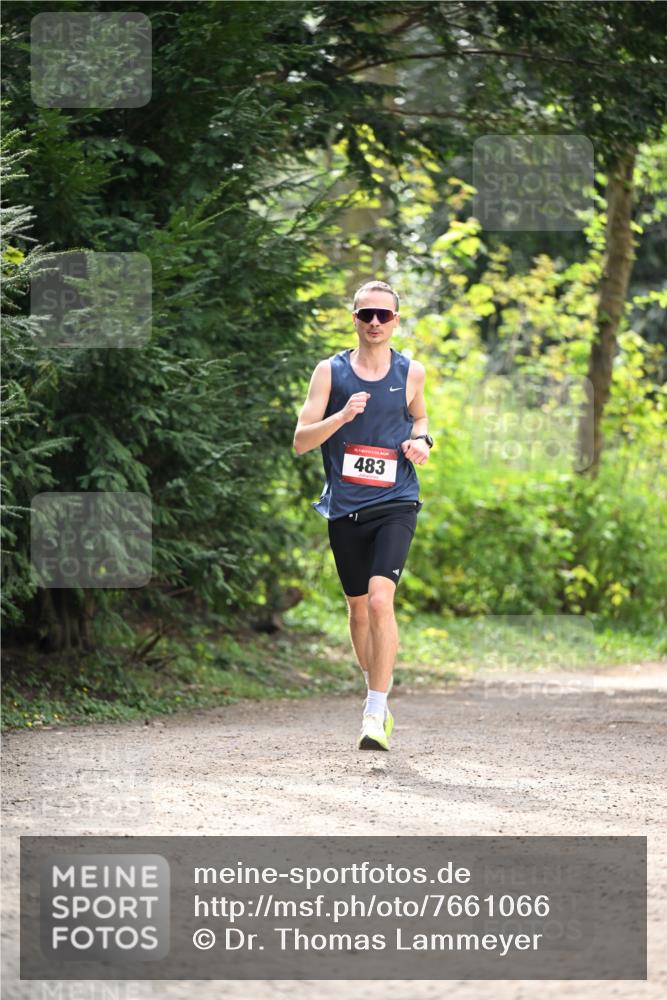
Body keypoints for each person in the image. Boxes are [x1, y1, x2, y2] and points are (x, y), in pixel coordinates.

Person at [293, 280, 432, 751]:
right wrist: (341, 418)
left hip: (396, 500)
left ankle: (375, 710)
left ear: (395, 321)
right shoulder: (329, 372)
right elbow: (301, 440)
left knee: (378, 600)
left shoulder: (412, 372)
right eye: (366, 314)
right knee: (357, 609)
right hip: (346, 507)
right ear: (354, 318)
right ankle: (375, 688)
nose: (375, 322)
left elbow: (420, 418)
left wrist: (422, 441)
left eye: (384, 315)